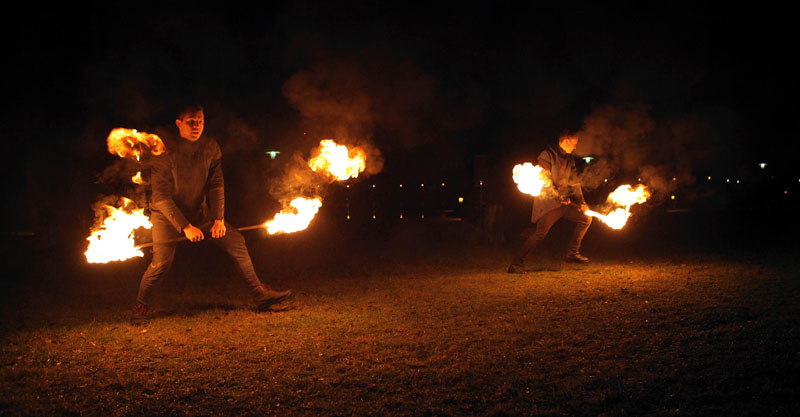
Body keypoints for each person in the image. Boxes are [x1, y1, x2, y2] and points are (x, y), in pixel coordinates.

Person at [131, 104, 291, 324]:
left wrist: (218, 219)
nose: (196, 126)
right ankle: (140, 307)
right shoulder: (163, 152)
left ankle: (260, 294)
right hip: (166, 217)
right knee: (161, 264)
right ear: (179, 124)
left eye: (200, 121)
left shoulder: (210, 147)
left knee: (236, 241)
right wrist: (185, 227)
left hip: (199, 212)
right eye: (191, 122)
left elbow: (216, 184)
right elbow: (161, 198)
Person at [508, 133, 592, 273]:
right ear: (565, 140)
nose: (576, 146)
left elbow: (575, 181)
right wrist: (558, 196)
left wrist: (582, 202)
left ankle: (572, 253)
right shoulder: (547, 155)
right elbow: (545, 179)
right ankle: (516, 264)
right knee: (540, 233)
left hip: (564, 202)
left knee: (586, 218)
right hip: (548, 203)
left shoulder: (569, 158)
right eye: (574, 143)